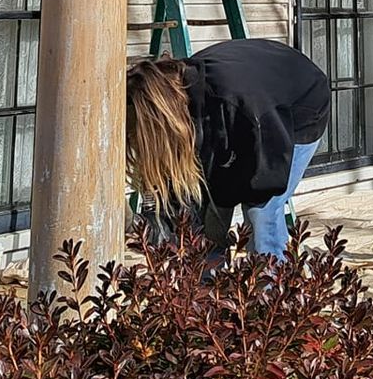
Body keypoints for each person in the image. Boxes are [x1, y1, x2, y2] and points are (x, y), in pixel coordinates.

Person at [126, 39, 330, 262]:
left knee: (262, 211)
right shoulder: (184, 95)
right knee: (208, 207)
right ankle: (208, 287)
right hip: (253, 90)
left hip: (300, 106)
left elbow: (268, 176)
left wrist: (225, 198)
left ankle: (273, 283)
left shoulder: (237, 104)